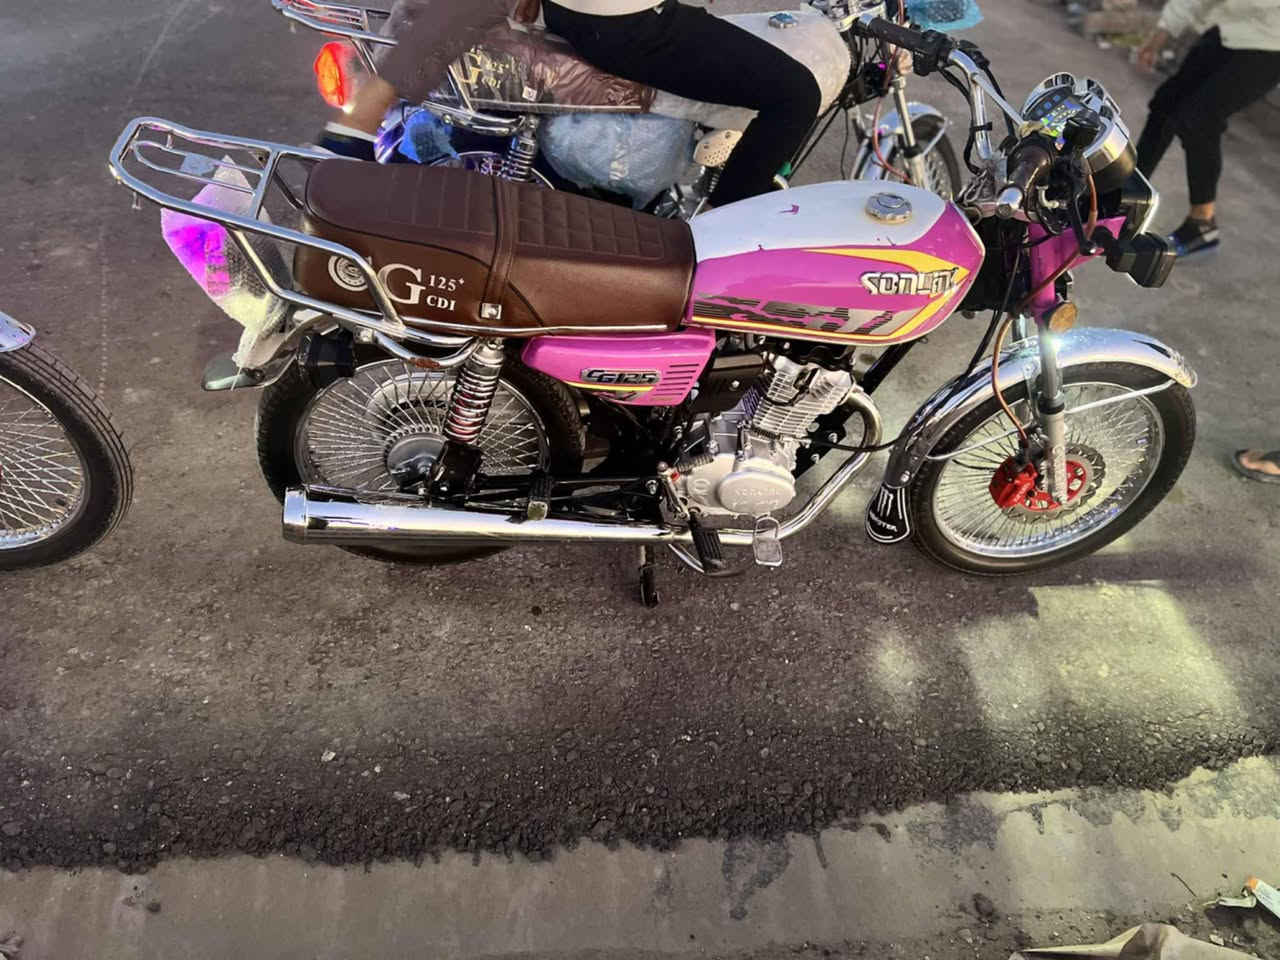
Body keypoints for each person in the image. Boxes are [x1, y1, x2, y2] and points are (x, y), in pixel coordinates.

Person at [318, 0, 822, 207]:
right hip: (621, 20)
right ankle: (723, 242)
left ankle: (359, 120)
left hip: (582, 13)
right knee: (794, 93)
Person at [1133, 0, 1280, 256]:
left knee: (1200, 119)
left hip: (1270, 42)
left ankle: (1202, 223)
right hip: (1228, 27)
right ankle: (1128, 192)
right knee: (1166, 103)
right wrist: (1161, 34)